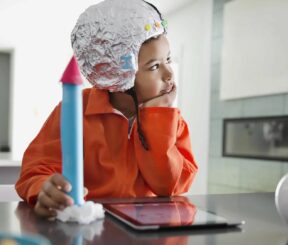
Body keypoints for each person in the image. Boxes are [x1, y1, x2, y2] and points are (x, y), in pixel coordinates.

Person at [15, 0, 198, 218]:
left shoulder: (170, 118)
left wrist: (157, 119)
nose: (169, 74)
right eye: (155, 66)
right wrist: (43, 188)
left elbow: (169, 185)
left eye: (168, 59)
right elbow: (34, 171)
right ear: (118, 74)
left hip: (149, 230)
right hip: (90, 225)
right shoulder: (75, 110)